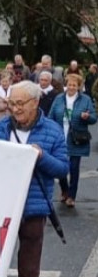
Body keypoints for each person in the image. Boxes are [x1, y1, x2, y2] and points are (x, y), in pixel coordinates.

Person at [0, 81, 69, 277]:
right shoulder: (0, 128)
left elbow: (62, 169)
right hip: (2, 209)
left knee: (29, 270)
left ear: (35, 103)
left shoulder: (53, 132)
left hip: (33, 210)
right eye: (12, 103)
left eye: (21, 104)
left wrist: (41, 156)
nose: (15, 109)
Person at [47, 71, 95, 208]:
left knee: (74, 168)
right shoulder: (59, 99)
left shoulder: (85, 100)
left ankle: (72, 196)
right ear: (65, 85)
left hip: (76, 138)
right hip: (60, 137)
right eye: (69, 85)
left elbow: (93, 118)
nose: (72, 87)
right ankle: (65, 190)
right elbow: (50, 116)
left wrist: (87, 116)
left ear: (79, 86)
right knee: (61, 167)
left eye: (75, 85)